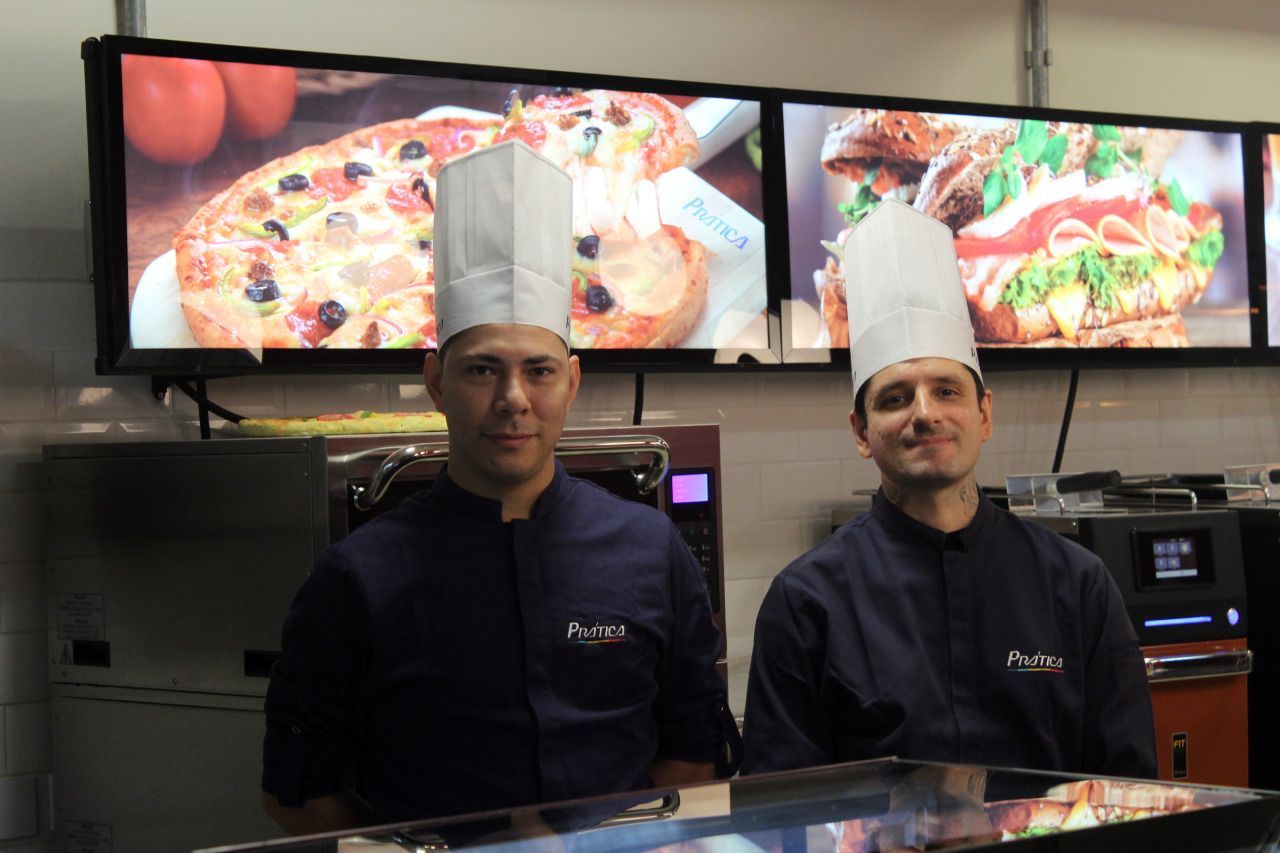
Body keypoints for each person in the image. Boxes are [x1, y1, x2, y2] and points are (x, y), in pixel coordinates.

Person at [260, 140, 738, 834]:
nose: (514, 399)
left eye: (539, 371)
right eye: (483, 370)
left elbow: (698, 753)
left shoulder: (648, 547)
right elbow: (298, 793)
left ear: (571, 384)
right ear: (435, 383)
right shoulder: (357, 576)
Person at [742, 199, 1156, 778]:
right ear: (862, 432)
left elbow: (1129, 791)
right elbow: (780, 810)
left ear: (985, 414)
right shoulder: (807, 602)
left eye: (947, 391)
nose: (924, 414)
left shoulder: (1076, 585)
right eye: (894, 398)